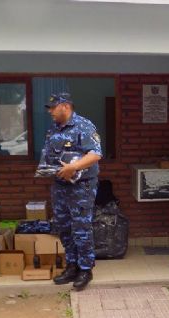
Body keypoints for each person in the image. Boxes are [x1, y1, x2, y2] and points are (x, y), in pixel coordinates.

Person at [41, 93, 103, 291]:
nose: (50, 111)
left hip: (81, 187)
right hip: (60, 187)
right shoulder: (54, 129)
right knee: (64, 228)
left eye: (53, 107)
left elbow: (95, 154)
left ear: (65, 106)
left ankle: (85, 269)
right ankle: (72, 265)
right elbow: (50, 155)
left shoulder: (83, 126)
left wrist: (73, 168)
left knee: (81, 228)